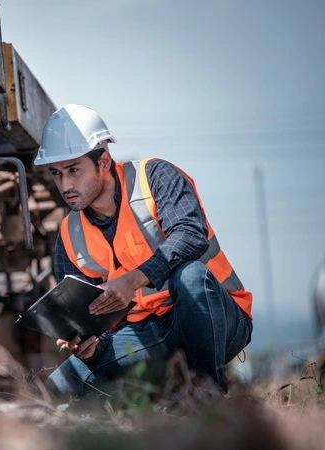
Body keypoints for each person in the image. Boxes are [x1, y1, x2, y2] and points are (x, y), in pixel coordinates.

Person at [33, 104, 253, 396]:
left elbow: (191, 234)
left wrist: (132, 280)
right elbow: (92, 325)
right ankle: (154, 404)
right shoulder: (68, 235)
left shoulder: (156, 177)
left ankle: (208, 397)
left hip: (218, 321)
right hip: (146, 336)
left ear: (103, 162)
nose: (65, 184)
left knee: (189, 275)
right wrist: (90, 348)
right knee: (59, 388)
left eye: (74, 170)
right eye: (56, 173)